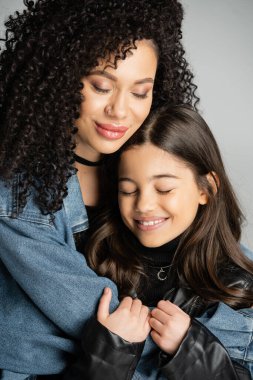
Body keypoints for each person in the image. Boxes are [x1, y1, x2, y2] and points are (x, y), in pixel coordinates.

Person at [0, 0, 202, 379]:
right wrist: (200, 349)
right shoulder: (15, 189)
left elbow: (218, 257)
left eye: (140, 92)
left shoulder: (144, 171)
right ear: (58, 78)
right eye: (101, 86)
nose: (120, 111)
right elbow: (103, 317)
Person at [65, 105, 253, 379]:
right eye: (128, 190)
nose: (143, 205)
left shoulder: (238, 287)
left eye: (164, 189)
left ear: (207, 189)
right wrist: (110, 354)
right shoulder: (92, 258)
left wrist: (192, 352)